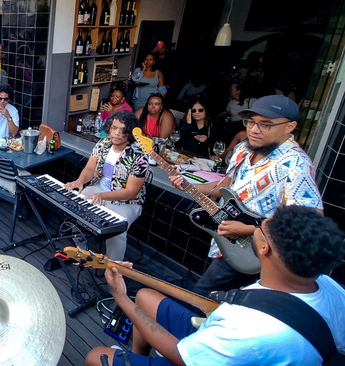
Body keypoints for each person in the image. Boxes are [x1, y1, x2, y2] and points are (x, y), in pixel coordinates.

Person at [85, 205, 345, 366]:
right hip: (220, 345)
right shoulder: (330, 287)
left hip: (202, 355)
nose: (254, 226)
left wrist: (121, 298)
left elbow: (182, 358)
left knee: (95, 356)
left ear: (264, 248)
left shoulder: (245, 327)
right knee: (145, 296)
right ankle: (139, 356)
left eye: (260, 226)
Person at [169, 95, 323, 296]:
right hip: (227, 244)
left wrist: (248, 229)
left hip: (257, 253)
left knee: (198, 299)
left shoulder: (296, 164)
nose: (254, 129)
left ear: (290, 127)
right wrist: (189, 186)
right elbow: (226, 186)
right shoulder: (243, 149)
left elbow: (309, 219)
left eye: (266, 125)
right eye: (251, 122)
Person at [63, 111, 148, 260]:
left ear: (130, 133)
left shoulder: (139, 156)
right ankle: (81, 249)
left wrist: (103, 195)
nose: (116, 133)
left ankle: (113, 270)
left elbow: (131, 192)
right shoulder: (102, 144)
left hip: (126, 201)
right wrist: (80, 181)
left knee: (116, 231)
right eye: (114, 128)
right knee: (73, 206)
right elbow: (90, 169)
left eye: (123, 130)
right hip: (99, 189)